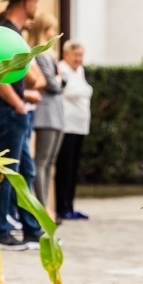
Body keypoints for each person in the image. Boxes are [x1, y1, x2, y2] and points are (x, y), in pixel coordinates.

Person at [0, 0, 44, 250]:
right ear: (25, 2)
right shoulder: (5, 33)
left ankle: (32, 229)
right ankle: (1, 231)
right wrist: (18, 103)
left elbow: (33, 77)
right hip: (8, 111)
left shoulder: (15, 34)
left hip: (12, 110)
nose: (37, 4)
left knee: (25, 171)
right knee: (8, 172)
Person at [28, 12, 64, 210]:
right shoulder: (40, 54)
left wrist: (59, 81)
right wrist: (58, 81)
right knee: (41, 162)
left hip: (56, 113)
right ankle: (41, 206)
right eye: (51, 29)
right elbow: (53, 84)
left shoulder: (51, 56)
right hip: (46, 114)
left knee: (50, 163)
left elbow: (59, 81)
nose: (54, 33)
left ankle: (46, 205)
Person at [55, 40, 92, 221]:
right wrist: (85, 90)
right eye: (75, 55)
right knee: (65, 167)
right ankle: (62, 207)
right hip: (67, 126)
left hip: (80, 126)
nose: (78, 59)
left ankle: (70, 205)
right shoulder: (61, 69)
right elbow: (69, 92)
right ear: (66, 54)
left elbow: (83, 91)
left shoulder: (80, 71)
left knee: (74, 169)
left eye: (81, 55)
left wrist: (84, 90)